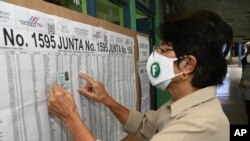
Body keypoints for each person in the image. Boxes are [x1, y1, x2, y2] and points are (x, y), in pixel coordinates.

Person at [48, 10, 233, 141]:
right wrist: (107, 100)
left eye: (164, 49)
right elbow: (145, 125)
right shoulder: (180, 102)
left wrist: (69, 115)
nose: (156, 54)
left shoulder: (200, 125)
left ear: (187, 64)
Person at [239, 50, 250, 124]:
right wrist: (241, 85)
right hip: (247, 97)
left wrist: (248, 84)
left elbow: (246, 82)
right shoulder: (246, 67)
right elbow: (242, 80)